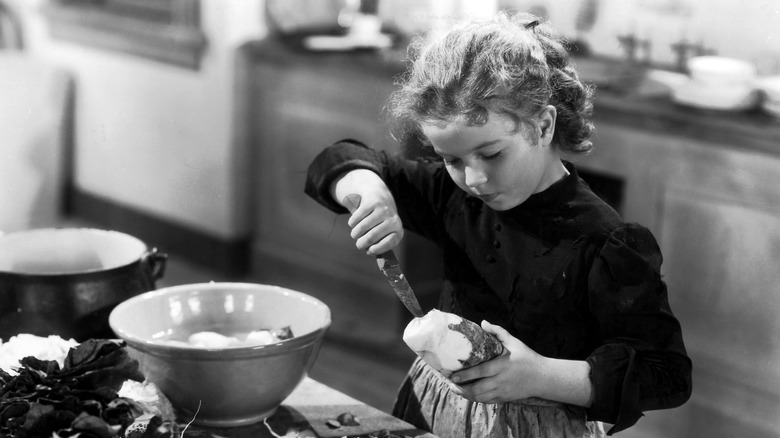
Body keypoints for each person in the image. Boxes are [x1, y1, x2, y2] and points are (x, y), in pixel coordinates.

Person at [304, 11, 692, 438]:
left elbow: (666, 375)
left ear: (543, 126)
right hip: (433, 407)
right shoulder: (451, 195)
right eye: (452, 160)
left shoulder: (608, 242)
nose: (474, 179)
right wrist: (370, 190)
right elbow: (336, 160)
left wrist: (541, 375)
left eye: (491, 155)